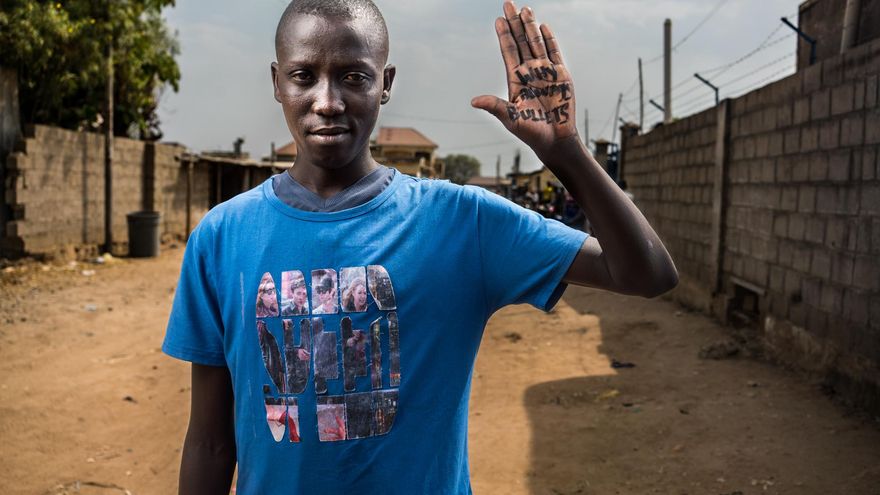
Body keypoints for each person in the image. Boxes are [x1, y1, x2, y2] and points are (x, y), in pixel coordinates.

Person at [162, 1, 677, 493]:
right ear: (277, 82)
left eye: (354, 76)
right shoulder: (222, 237)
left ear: (385, 84)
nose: (327, 101)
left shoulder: (462, 222)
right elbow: (209, 441)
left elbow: (647, 273)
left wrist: (566, 153)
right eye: (303, 76)